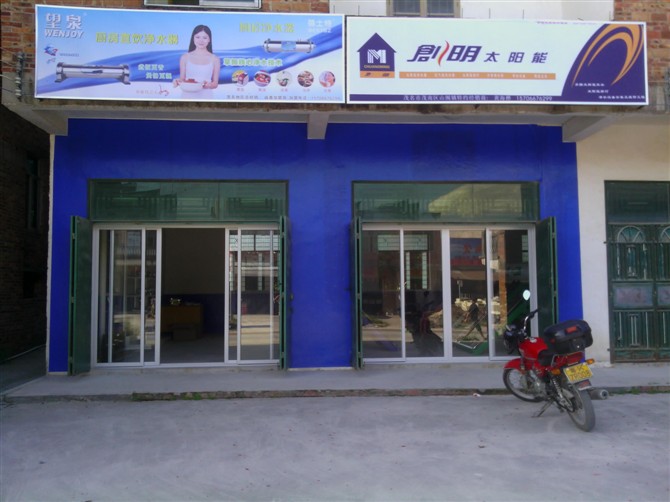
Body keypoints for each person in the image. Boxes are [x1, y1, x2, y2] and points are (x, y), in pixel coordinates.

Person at [174, 25, 220, 93]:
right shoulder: (185, 57)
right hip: (187, 95)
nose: (201, 41)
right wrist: (177, 81)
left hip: (207, 95)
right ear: (193, 38)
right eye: (197, 37)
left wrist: (208, 85)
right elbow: (182, 79)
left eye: (205, 38)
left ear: (209, 40)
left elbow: (215, 84)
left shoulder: (215, 59)